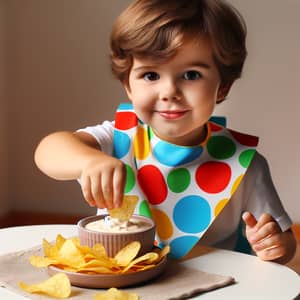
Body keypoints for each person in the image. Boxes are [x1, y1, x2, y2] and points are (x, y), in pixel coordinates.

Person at [34, 0, 296, 261]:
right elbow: (48, 151)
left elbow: (285, 244)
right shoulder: (116, 140)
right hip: (126, 283)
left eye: (191, 75)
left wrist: (276, 245)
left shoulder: (246, 166)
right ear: (128, 85)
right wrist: (90, 161)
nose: (169, 92)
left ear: (223, 86)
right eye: (150, 75)